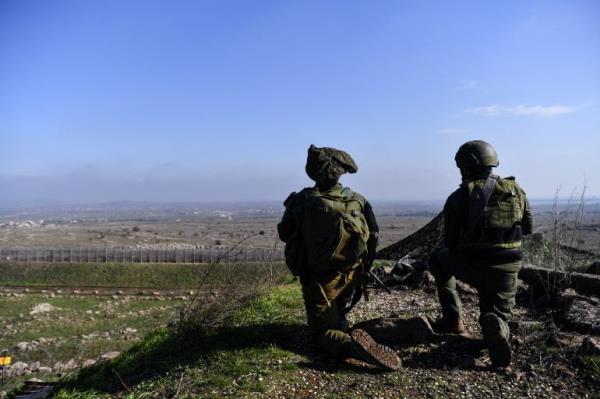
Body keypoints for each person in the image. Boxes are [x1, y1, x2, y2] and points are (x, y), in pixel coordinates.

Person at [277, 144, 401, 371]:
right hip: (352, 274)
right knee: (339, 313)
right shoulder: (357, 199)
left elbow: (285, 233)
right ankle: (401, 328)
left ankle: (350, 346)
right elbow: (373, 235)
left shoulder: (304, 199)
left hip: (319, 279)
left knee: (321, 334)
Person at [430, 140, 533, 368]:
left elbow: (451, 243)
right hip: (508, 269)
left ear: (465, 167)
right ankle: (499, 328)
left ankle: (453, 320)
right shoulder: (517, 191)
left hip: (473, 265)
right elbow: (527, 228)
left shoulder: (458, 198)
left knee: (438, 260)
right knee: (498, 313)